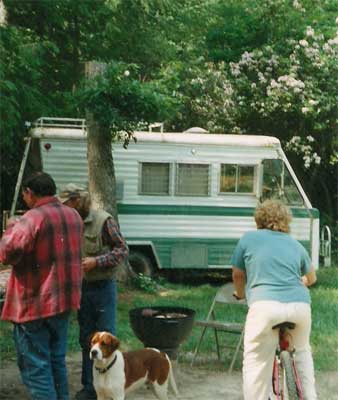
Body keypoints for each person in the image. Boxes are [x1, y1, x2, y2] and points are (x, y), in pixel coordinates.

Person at [0, 172, 83, 400]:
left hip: (34, 305)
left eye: (25, 195)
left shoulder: (32, 218)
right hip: (64, 302)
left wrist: (10, 227)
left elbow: (6, 254)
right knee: (56, 361)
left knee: (36, 368)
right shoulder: (73, 215)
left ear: (29, 193)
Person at [231, 199, 317, 400]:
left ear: (258, 219)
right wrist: (300, 281)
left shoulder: (248, 239)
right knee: (303, 353)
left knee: (256, 362)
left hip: (264, 307)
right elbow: (312, 277)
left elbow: (237, 274)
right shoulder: (295, 244)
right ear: (287, 221)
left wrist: (241, 294)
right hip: (300, 307)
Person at [58, 183, 129, 400]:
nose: (65, 209)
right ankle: (90, 387)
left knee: (107, 338)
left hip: (103, 288)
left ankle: (114, 386)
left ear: (78, 200)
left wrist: (97, 261)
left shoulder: (103, 220)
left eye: (67, 203)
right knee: (86, 339)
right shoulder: (70, 222)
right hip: (82, 289)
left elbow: (122, 250)